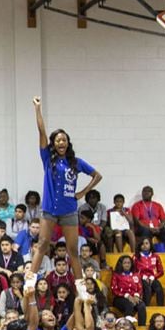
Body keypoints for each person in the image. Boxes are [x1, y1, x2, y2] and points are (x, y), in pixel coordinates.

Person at [28, 96, 102, 283]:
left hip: (69, 211)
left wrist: (82, 193)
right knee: (43, 243)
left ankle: (80, 285)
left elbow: (97, 176)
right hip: (50, 210)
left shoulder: (76, 162)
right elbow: (41, 132)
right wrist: (37, 109)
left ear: (68, 143)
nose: (61, 142)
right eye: (58, 140)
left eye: (64, 140)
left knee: (72, 249)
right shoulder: (48, 158)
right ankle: (31, 279)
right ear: (54, 144)